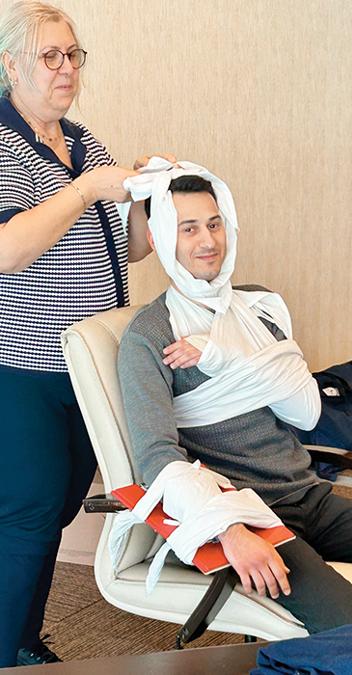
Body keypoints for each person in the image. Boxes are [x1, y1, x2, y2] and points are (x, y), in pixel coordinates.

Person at [116, 167, 352, 635]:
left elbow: (306, 411)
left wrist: (229, 358)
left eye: (214, 224)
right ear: (158, 239)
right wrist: (228, 531)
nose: (208, 241)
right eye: (188, 229)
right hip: (244, 516)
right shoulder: (150, 337)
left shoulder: (258, 309)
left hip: (307, 495)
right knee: (348, 619)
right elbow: (156, 458)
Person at [0, 2, 170, 666]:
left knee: (59, 504)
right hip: (23, 368)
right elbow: (8, 249)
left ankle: (21, 638)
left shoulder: (82, 141)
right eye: (50, 56)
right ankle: (8, 651)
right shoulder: (5, 143)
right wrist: (88, 189)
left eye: (73, 55)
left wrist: (146, 194)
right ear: (11, 65)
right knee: (31, 510)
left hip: (87, 369)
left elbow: (133, 249)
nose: (66, 68)